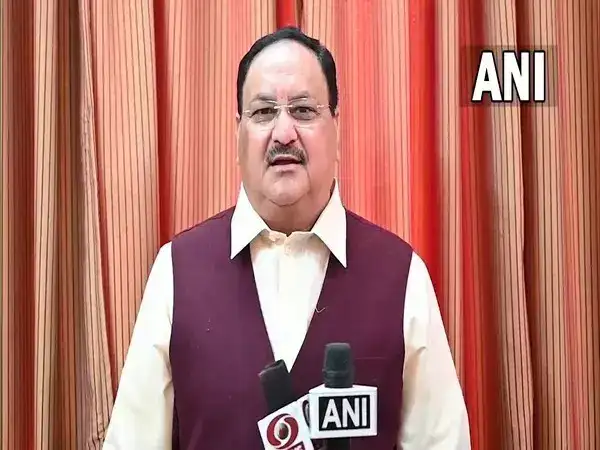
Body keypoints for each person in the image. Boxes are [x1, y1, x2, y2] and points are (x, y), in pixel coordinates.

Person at [102, 26, 470, 449]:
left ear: (336, 128)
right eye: (263, 112)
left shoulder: (401, 276)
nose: (283, 133)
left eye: (303, 110)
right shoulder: (176, 272)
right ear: (238, 134)